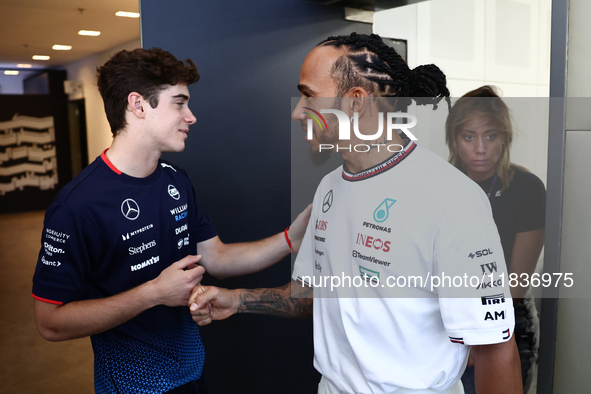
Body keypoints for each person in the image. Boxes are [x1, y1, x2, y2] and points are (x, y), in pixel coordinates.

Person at [189, 33, 523, 394]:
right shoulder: (329, 188)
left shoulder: (451, 199)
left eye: (308, 95)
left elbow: (496, 347)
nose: (297, 111)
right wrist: (236, 301)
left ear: (354, 102)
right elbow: (312, 294)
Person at [31, 47, 310, 394]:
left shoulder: (175, 180)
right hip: (133, 386)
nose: (190, 116)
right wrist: (153, 294)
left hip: (192, 373)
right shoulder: (76, 206)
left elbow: (217, 258)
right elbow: (51, 323)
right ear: (138, 105)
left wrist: (291, 239)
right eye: (179, 103)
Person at [445, 85, 545, 394]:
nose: (480, 149)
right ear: (454, 140)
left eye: (490, 136)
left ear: (504, 139)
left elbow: (515, 282)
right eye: (469, 136)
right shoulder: (437, 186)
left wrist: (481, 337)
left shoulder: (527, 189)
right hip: (447, 320)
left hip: (505, 322)